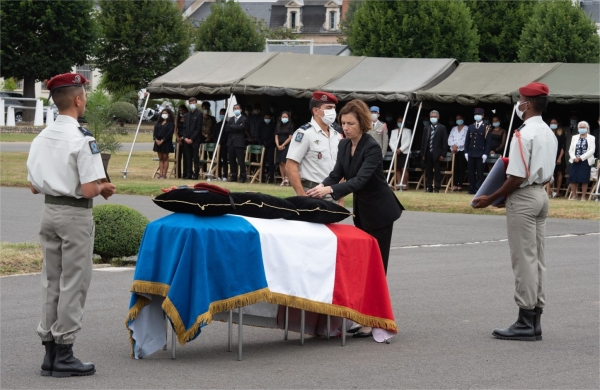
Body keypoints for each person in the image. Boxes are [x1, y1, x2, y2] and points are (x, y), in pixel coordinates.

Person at [26, 72, 116, 377]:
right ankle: (65, 352)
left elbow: (33, 186)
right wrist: (104, 188)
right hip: (75, 214)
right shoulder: (83, 139)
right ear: (78, 100)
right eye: (85, 95)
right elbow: (90, 189)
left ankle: (50, 351)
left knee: (51, 279)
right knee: (74, 282)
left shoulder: (42, 137)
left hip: (49, 210)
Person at [306, 99, 404, 337]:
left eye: (350, 123)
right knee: (364, 265)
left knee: (377, 267)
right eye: (343, 123)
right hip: (362, 210)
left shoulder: (371, 147)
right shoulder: (343, 145)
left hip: (381, 212)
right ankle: (364, 316)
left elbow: (360, 180)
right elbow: (336, 174)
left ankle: (374, 319)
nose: (346, 127)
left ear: (362, 123)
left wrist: (330, 191)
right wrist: (320, 186)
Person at [473, 82, 557, 342]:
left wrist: (492, 197)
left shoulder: (523, 134)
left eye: (520, 100)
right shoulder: (548, 133)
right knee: (537, 258)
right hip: (541, 194)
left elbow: (517, 175)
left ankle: (525, 319)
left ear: (528, 104)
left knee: (523, 260)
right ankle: (535, 318)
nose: (518, 104)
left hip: (524, 196)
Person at [286, 91, 342, 199]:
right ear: (316, 111)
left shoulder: (337, 136)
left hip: (333, 192)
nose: (333, 112)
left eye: (334, 108)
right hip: (311, 192)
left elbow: (340, 168)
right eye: (329, 108)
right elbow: (290, 166)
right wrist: (302, 195)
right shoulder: (305, 133)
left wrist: (341, 198)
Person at [420, 110, 448, 193]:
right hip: (428, 152)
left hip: (438, 154)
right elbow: (423, 142)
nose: (433, 118)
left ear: (438, 117)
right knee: (429, 171)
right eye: (431, 117)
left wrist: (443, 154)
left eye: (435, 117)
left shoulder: (442, 128)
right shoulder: (427, 128)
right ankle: (429, 187)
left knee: (437, 171)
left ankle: (437, 187)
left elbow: (444, 142)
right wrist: (423, 154)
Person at [465, 108, 491, 194]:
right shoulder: (471, 127)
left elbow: (488, 142)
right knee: (471, 172)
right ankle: (471, 189)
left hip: (480, 153)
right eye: (476, 114)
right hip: (471, 152)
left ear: (483, 116)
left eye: (479, 114)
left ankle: (478, 189)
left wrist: (486, 154)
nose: (477, 116)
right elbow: (467, 140)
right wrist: (466, 152)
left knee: (480, 173)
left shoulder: (486, 127)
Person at [568, 121, 596, 201]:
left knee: (584, 179)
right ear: (578, 128)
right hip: (574, 160)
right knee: (572, 178)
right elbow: (571, 150)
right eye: (580, 127)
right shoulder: (574, 137)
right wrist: (574, 158)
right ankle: (574, 196)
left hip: (585, 160)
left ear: (587, 128)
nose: (582, 129)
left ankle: (583, 197)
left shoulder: (592, 138)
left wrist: (581, 158)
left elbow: (592, 150)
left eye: (584, 127)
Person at [226, 104, 251, 183]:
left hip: (239, 142)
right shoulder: (231, 119)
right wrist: (237, 127)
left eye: (237, 108)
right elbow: (227, 128)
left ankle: (243, 177)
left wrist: (232, 127)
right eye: (234, 108)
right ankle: (234, 176)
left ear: (240, 109)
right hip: (231, 142)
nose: (236, 109)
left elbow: (242, 128)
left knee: (241, 161)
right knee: (232, 160)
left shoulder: (244, 119)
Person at [181, 97, 203, 180]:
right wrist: (185, 138)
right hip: (186, 140)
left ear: (196, 103)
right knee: (188, 157)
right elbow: (184, 128)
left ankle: (196, 174)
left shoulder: (199, 114)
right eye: (190, 103)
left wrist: (192, 139)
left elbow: (198, 128)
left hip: (195, 140)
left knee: (195, 157)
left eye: (193, 103)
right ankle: (188, 173)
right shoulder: (187, 114)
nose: (192, 104)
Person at [388, 115, 412, 190]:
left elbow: (408, 142)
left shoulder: (408, 131)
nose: (400, 123)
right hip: (395, 152)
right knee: (397, 168)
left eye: (401, 122)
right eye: (399, 122)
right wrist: (395, 150)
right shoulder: (393, 131)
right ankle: (398, 183)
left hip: (404, 152)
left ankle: (404, 184)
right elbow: (391, 141)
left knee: (404, 168)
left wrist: (400, 149)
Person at [153, 109, 175, 179]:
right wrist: (156, 139)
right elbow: (154, 132)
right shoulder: (158, 123)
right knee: (160, 158)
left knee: (165, 158)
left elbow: (169, 133)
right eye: (163, 113)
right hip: (158, 142)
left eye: (165, 113)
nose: (164, 114)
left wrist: (162, 140)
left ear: (169, 114)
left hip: (166, 142)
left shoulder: (171, 123)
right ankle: (160, 174)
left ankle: (164, 175)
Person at [448, 114, 468, 191]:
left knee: (461, 167)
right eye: (457, 119)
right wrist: (453, 146)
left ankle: (460, 184)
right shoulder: (454, 128)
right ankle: (455, 184)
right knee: (455, 167)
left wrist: (458, 146)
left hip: (462, 150)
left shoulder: (466, 128)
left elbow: (465, 139)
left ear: (463, 119)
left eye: (460, 118)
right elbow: (450, 138)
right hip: (454, 151)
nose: (458, 120)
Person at [547, 118, 566, 198]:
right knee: (549, 174)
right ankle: (550, 191)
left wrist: (559, 158)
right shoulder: (547, 133)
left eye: (555, 122)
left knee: (559, 173)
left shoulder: (561, 133)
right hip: (549, 155)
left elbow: (563, 147)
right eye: (551, 123)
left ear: (557, 123)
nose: (553, 124)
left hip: (558, 155)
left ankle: (557, 191)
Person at [275, 111, 294, 186]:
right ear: (280, 118)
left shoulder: (291, 126)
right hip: (279, 146)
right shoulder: (278, 126)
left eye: (286, 117)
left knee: (285, 162)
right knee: (280, 162)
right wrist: (278, 145)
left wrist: (283, 145)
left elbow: (290, 137)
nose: (284, 118)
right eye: (283, 117)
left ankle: (287, 178)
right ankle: (283, 178)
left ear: (288, 118)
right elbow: (276, 136)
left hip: (287, 146)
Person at [258, 112, 276, 183]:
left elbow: (273, 137)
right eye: (265, 118)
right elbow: (258, 135)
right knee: (262, 162)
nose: (267, 119)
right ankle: (262, 178)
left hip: (270, 146)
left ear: (271, 118)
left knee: (271, 163)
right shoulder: (261, 125)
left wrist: (267, 144)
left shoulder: (273, 125)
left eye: (268, 118)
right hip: (262, 146)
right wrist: (261, 144)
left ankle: (271, 179)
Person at [212, 108, 228, 181]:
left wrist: (221, 142)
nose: (222, 115)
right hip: (217, 145)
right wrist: (217, 142)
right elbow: (214, 135)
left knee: (225, 160)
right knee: (218, 160)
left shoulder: (227, 124)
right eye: (220, 114)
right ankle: (218, 175)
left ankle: (225, 175)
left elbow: (227, 135)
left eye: (223, 114)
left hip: (224, 145)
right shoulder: (217, 125)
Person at [175, 105, 188, 178]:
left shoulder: (187, 118)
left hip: (185, 138)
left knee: (185, 157)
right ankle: (178, 174)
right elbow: (175, 129)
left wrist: (183, 138)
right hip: (178, 138)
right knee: (178, 156)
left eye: (183, 110)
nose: (181, 112)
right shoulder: (177, 119)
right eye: (180, 110)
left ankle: (185, 174)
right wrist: (178, 138)